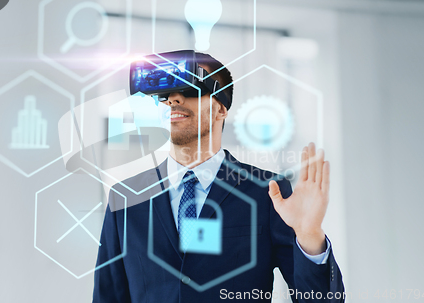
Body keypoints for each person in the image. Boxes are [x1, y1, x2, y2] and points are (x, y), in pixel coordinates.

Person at [92, 52, 344, 302]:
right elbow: (107, 297)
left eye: (190, 89)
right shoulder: (125, 198)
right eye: (166, 94)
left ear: (220, 109)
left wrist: (309, 236)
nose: (174, 99)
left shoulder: (266, 192)